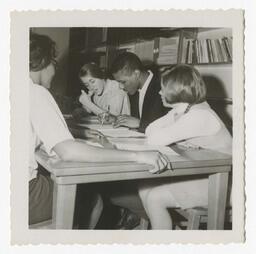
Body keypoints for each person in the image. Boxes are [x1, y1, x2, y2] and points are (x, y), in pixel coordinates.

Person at [29, 34, 169, 227]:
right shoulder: (36, 92)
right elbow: (68, 151)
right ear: (44, 62)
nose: (54, 70)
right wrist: (137, 155)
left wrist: (78, 133)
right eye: (54, 63)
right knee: (92, 197)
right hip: (23, 195)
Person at [138, 64, 232, 229]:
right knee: (144, 188)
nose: (159, 92)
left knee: (155, 197)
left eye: (163, 89)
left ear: (176, 91)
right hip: (206, 174)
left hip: (225, 183)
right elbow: (149, 130)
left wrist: (169, 130)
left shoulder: (199, 115)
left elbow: (155, 139)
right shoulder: (182, 109)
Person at [111, 52, 168, 132]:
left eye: (123, 82)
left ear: (136, 74)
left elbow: (169, 127)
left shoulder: (163, 89)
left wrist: (140, 124)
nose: (121, 87)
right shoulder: (133, 90)